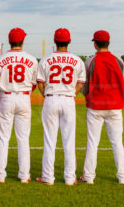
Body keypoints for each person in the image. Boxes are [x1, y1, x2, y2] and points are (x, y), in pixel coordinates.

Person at [36, 28, 86, 186]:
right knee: (69, 140)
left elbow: (40, 83)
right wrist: (72, 93)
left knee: (50, 140)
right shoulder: (77, 60)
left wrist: (46, 95)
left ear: (54, 41)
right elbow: (80, 83)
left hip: (51, 98)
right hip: (68, 99)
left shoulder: (46, 59)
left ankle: (48, 177)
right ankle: (70, 178)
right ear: (69, 41)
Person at [80, 30, 124, 185]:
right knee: (117, 142)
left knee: (92, 142)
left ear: (95, 43)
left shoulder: (90, 61)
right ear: (109, 43)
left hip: (95, 108)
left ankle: (88, 177)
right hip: (115, 107)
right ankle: (122, 177)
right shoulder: (119, 61)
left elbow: (84, 88)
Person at [0, 28, 38, 184]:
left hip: (6, 97)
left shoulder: (0, 59)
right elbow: (33, 84)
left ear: (10, 40)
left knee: (3, 138)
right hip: (24, 98)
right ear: (22, 41)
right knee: (23, 139)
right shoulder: (32, 59)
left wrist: (6, 90)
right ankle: (24, 175)